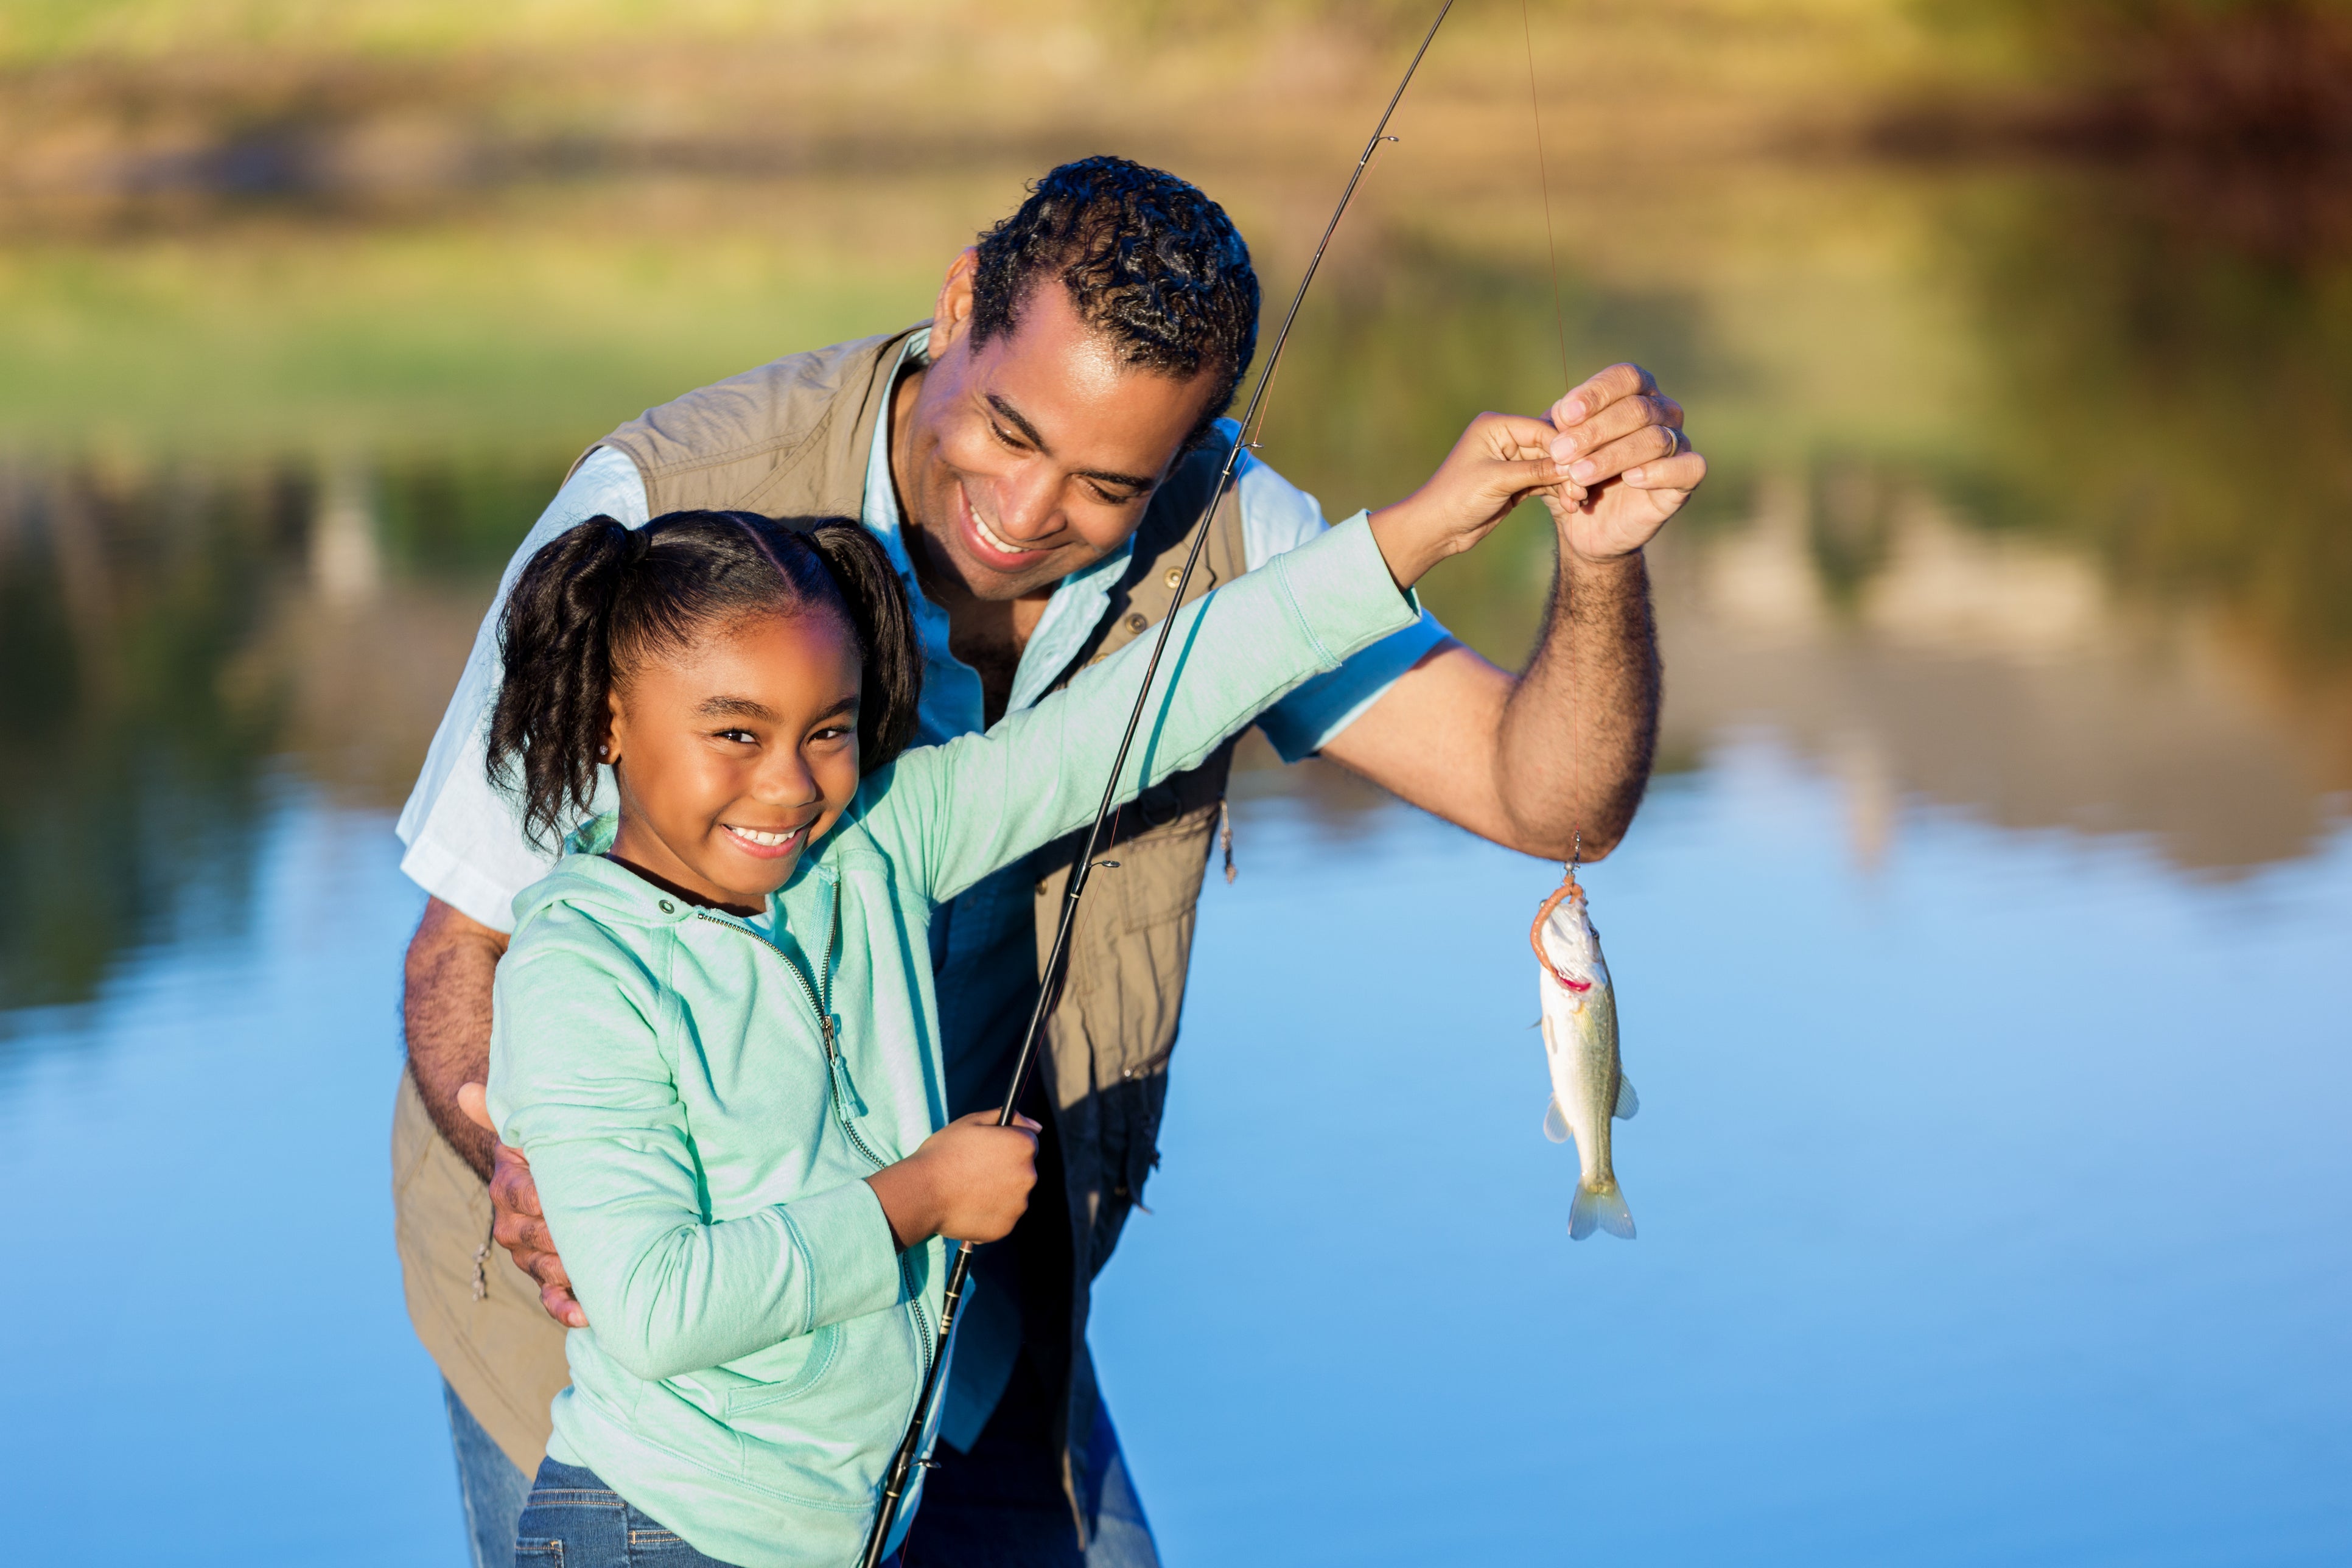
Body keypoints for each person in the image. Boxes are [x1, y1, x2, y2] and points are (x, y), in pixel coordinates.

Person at [393, 155, 1703, 1568]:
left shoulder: (891, 812)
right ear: (958, 304)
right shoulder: (662, 516)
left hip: (941, 1339)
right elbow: (464, 949)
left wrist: (1505, 536)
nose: (1023, 510)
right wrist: (538, 1171)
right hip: (650, 1445)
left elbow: (1265, 702)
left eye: (1107, 483)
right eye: (1010, 431)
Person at [469, 479, 1522, 1567]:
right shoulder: (580, 971)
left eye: (827, 731)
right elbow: (653, 1306)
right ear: (608, 718)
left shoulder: (877, 842)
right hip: (655, 1535)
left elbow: (1137, 715)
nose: (788, 786)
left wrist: (1415, 533)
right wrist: (919, 1198)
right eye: (735, 732)